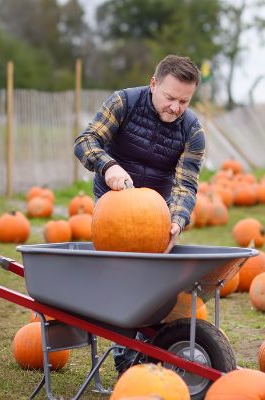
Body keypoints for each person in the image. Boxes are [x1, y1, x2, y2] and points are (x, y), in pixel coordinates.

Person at [74, 54, 206, 374]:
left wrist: (176, 220)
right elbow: (86, 141)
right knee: (125, 279)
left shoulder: (192, 130)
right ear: (153, 84)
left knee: (153, 283)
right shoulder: (124, 103)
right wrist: (108, 166)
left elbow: (186, 184)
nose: (176, 107)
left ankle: (152, 345)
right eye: (170, 97)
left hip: (156, 212)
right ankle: (127, 353)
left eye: (184, 101)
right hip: (114, 204)